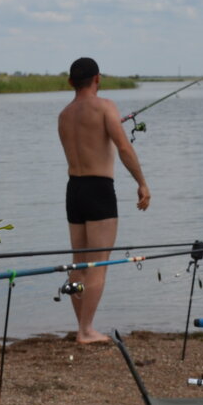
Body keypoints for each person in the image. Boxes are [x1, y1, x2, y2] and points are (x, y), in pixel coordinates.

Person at [57, 57, 150, 344]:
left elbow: (88, 141)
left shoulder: (64, 115)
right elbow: (122, 147)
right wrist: (142, 183)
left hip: (74, 190)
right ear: (98, 78)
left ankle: (82, 326)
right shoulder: (106, 107)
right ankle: (86, 331)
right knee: (97, 264)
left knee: (78, 264)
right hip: (99, 189)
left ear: (72, 82)